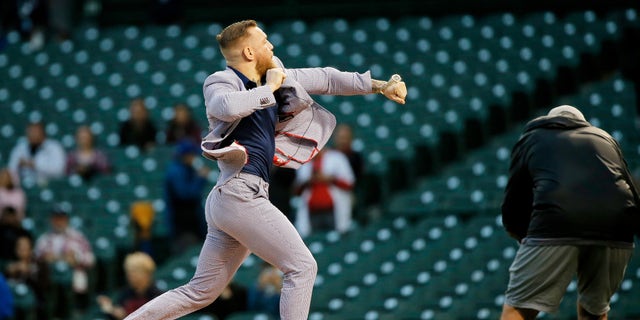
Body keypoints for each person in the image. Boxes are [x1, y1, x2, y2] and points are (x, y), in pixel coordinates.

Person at [123, 19, 406, 320]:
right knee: (302, 266)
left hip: (236, 198)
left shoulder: (275, 77)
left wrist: (379, 86)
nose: (271, 46)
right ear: (248, 51)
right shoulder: (221, 81)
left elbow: (326, 78)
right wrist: (269, 88)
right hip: (238, 193)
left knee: (200, 292)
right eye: (264, 41)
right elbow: (226, 107)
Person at [500, 105, 640, 320]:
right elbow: (629, 188)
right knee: (594, 310)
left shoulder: (533, 137)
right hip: (617, 226)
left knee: (518, 308)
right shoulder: (605, 138)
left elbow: (515, 200)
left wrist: (522, 235)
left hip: (558, 221)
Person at [34, 206, 95, 318]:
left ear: (67, 219)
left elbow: (91, 259)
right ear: (51, 220)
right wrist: (44, 259)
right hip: (49, 286)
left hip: (74, 286)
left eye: (62, 218)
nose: (59, 222)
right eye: (56, 218)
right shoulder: (44, 239)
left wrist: (76, 259)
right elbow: (35, 260)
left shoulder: (77, 237)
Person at [294, 147, 356, 237]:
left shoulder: (337, 158)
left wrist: (331, 179)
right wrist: (309, 181)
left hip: (332, 210)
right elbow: (297, 191)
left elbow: (349, 184)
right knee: (312, 240)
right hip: (312, 212)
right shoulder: (304, 161)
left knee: (335, 239)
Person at [163, 139, 209, 251]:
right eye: (192, 155)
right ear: (186, 155)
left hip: (191, 223)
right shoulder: (176, 171)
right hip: (183, 226)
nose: (194, 158)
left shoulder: (186, 169)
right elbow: (185, 194)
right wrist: (200, 178)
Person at [96, 252, 163, 320]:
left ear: (147, 273)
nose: (130, 275)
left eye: (134, 271)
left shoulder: (158, 296)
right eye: (128, 271)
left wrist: (125, 315)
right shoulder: (125, 294)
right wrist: (110, 309)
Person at [3, 235, 50, 319]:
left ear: (31, 249)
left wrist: (29, 273)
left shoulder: (40, 264)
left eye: (25, 248)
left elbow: (44, 286)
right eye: (19, 248)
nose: (22, 251)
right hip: (13, 300)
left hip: (33, 302)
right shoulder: (10, 264)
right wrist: (9, 272)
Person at [8, 122, 66, 186]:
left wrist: (34, 164)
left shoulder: (54, 147)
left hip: (50, 185)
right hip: (24, 185)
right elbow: (11, 170)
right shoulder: (20, 148)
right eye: (30, 132)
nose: (32, 135)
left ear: (43, 133)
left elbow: (59, 170)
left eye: (35, 132)